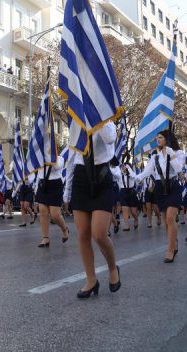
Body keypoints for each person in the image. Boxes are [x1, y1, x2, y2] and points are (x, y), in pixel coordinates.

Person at [64, 121, 121, 298]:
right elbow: (72, 158)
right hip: (81, 178)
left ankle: (113, 268)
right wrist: (67, 190)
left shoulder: (106, 119)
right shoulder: (77, 119)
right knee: (83, 234)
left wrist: (96, 115)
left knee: (99, 233)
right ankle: (91, 279)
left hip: (102, 176)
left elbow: (110, 138)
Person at [137, 130, 185, 263]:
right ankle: (173, 241)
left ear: (167, 139)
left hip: (173, 186)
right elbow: (147, 171)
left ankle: (170, 250)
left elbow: (179, 170)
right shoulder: (155, 156)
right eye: (157, 137)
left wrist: (172, 155)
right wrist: (136, 178)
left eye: (161, 137)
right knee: (166, 221)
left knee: (170, 217)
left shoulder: (179, 153)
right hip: (160, 188)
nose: (158, 140)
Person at [35, 155, 70, 248]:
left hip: (55, 186)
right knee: (43, 212)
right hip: (42, 184)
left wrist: (49, 157)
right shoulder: (40, 157)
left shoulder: (60, 158)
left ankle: (65, 229)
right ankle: (45, 238)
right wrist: (36, 188)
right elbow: (39, 173)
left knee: (55, 215)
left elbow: (56, 166)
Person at [118, 161, 140, 230]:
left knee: (133, 212)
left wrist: (128, 168)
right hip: (123, 192)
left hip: (131, 192)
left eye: (124, 166)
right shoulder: (120, 174)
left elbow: (134, 176)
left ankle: (136, 219)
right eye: (122, 166)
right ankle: (127, 226)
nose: (123, 167)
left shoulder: (131, 174)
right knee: (125, 209)